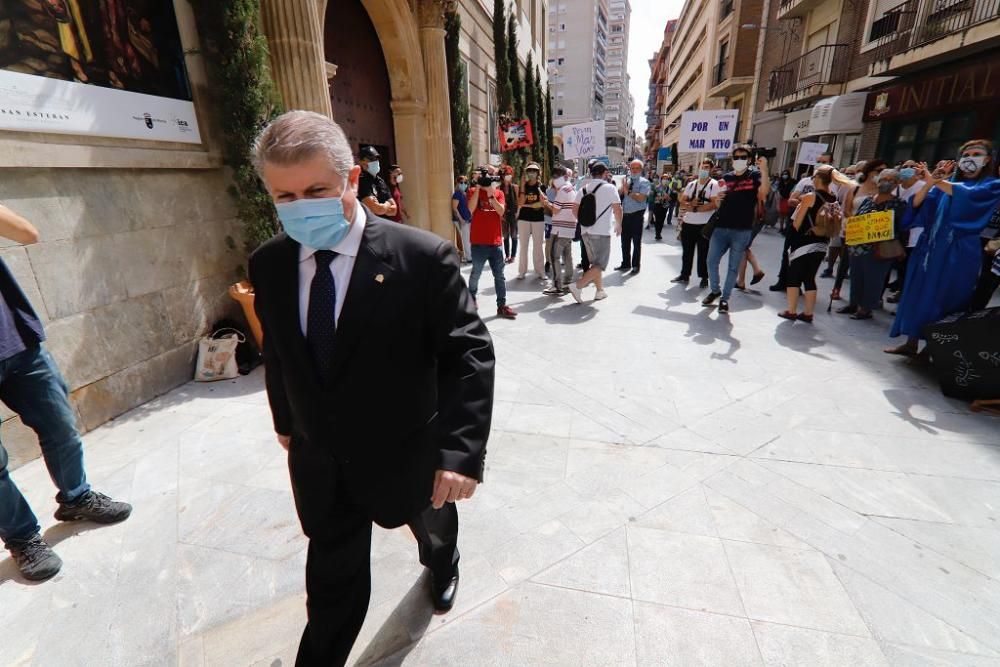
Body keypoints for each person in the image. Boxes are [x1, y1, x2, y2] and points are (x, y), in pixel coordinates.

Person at [248, 112, 495, 666]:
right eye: (283, 196)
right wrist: (287, 422)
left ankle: (444, 562)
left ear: (352, 179)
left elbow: (469, 352)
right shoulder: (270, 264)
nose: (299, 206)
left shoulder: (421, 258)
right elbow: (281, 353)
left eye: (316, 190)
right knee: (332, 589)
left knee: (431, 529)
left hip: (406, 452)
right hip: (322, 460)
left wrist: (460, 453)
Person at [0, 202, 132, 582]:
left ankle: (76, 497)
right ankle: (22, 537)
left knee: (61, 426)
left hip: (16, 341)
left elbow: (28, 233)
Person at [887, 141, 1000, 357]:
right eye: (966, 154)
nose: (970, 157)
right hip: (929, 248)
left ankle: (932, 349)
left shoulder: (990, 185)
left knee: (947, 297)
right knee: (917, 293)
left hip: (959, 251)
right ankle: (911, 342)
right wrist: (930, 183)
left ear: (987, 159)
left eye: (977, 154)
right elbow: (919, 204)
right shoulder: (947, 182)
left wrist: (934, 180)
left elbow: (966, 197)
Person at [703, 145, 771, 314]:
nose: (739, 160)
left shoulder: (754, 176)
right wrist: (718, 199)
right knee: (711, 261)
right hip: (721, 227)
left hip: (742, 229)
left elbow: (763, 193)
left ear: (749, 159)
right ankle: (715, 290)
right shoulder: (726, 178)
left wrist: (764, 170)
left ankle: (724, 299)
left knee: (733, 267)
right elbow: (719, 203)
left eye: (743, 157)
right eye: (736, 157)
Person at [779, 166, 848, 322]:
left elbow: (797, 223)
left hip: (803, 241)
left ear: (817, 179)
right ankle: (808, 313)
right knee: (810, 277)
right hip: (822, 243)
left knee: (794, 277)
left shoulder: (810, 197)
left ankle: (791, 310)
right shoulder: (833, 198)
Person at [837, 168, 906, 320]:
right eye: (883, 179)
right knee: (856, 277)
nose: (885, 183)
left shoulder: (898, 203)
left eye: (890, 180)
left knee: (873, 279)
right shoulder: (869, 199)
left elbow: (895, 225)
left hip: (879, 247)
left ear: (896, 184)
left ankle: (866, 308)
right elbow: (857, 217)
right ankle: (853, 303)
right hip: (858, 245)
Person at [771, 153, 834, 291]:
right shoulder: (805, 181)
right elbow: (791, 199)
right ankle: (783, 281)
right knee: (787, 253)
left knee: (808, 259)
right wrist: (805, 201)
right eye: (818, 161)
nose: (820, 164)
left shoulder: (834, 186)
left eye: (824, 161)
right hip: (797, 222)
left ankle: (797, 284)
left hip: (818, 228)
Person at [466, 166, 518, 320]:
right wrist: (478, 188)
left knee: (499, 276)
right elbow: (470, 209)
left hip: (495, 243)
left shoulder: (498, 192)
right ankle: (471, 299)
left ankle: (501, 306)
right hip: (478, 242)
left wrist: (490, 194)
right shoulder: (471, 191)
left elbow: (501, 211)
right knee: (475, 274)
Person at [568, 161, 623, 303]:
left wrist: (584, 223)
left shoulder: (583, 189)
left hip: (585, 232)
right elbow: (617, 209)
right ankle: (577, 286)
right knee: (600, 265)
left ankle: (599, 291)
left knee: (595, 264)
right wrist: (619, 224)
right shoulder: (610, 188)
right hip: (602, 232)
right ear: (605, 173)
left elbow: (574, 210)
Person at [885, 160, 925, 302]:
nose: (908, 169)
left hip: (913, 234)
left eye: (912, 167)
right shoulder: (895, 188)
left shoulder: (923, 187)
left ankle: (902, 293)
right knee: (890, 264)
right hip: (894, 233)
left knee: (906, 266)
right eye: (905, 167)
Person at [673, 159, 717, 287]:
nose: (704, 169)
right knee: (687, 251)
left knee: (703, 253)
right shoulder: (692, 184)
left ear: (711, 169)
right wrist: (690, 205)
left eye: (707, 167)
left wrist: (696, 208)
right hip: (688, 222)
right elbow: (682, 202)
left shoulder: (714, 185)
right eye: (702, 167)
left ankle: (704, 277)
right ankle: (684, 274)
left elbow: (714, 204)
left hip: (705, 224)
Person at [545, 166, 577, 296]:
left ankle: (558, 285)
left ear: (563, 177)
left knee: (554, 256)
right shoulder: (571, 188)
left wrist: (546, 203)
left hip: (560, 229)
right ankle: (567, 283)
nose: (553, 180)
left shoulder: (563, 190)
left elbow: (555, 210)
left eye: (555, 177)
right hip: (569, 227)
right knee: (567, 256)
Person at [616, 159, 651, 274]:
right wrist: (622, 187)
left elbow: (641, 198)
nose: (634, 170)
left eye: (637, 168)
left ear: (641, 170)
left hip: (637, 216)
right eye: (632, 168)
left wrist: (628, 192)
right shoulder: (628, 180)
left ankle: (635, 265)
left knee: (636, 242)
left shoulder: (644, 182)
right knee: (624, 241)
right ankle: (625, 263)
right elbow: (619, 193)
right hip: (625, 215)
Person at [516, 162, 548, 280]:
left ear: (538, 173)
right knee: (523, 246)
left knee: (538, 246)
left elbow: (543, 204)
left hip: (538, 219)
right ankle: (522, 271)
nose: (532, 173)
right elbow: (520, 203)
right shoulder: (523, 186)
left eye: (534, 171)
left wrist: (538, 193)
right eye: (529, 171)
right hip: (524, 219)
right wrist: (523, 186)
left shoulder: (542, 187)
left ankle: (540, 271)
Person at [357, 145, 398, 220]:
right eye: (372, 159)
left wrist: (383, 206)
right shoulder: (361, 181)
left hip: (385, 225)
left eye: (377, 158)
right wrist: (388, 204)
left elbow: (394, 210)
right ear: (362, 162)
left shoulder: (381, 181)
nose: (376, 161)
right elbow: (377, 209)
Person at [498, 165, 519, 263]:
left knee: (514, 235)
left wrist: (517, 213)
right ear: (503, 176)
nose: (508, 176)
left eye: (510, 174)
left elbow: (519, 202)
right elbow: (497, 203)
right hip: (504, 214)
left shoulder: (515, 187)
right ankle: (507, 255)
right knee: (505, 236)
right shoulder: (498, 188)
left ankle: (513, 255)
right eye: (506, 174)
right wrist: (500, 215)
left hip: (513, 214)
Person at [451, 174, 473, 263]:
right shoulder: (457, 194)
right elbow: (454, 208)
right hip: (462, 220)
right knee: (466, 239)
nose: (463, 184)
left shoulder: (466, 193)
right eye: (461, 182)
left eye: (465, 182)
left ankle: (469, 256)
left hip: (468, 219)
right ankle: (469, 258)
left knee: (469, 239)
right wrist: (461, 219)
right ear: (457, 183)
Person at [651, 172, 672, 240]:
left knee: (662, 220)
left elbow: (672, 198)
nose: (665, 180)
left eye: (666, 179)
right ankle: (657, 234)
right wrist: (661, 198)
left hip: (665, 206)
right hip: (657, 205)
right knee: (657, 220)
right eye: (664, 178)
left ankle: (659, 233)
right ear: (661, 179)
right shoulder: (657, 187)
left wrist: (668, 198)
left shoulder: (669, 189)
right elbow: (653, 197)